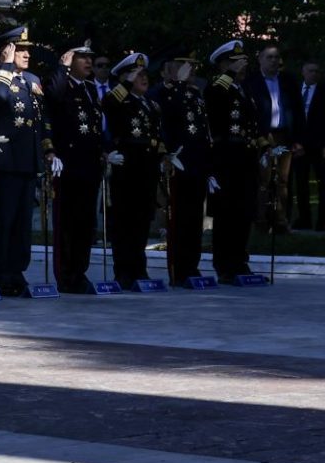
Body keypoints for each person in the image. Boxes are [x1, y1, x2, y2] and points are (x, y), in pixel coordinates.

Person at [0, 25, 51, 298]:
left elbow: (41, 118)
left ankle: (18, 270)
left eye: (27, 50)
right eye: (20, 50)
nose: (27, 55)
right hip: (6, 160)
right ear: (6, 51)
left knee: (22, 222)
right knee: (5, 219)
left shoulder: (31, 79)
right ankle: (1, 274)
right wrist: (6, 66)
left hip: (28, 160)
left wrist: (48, 149)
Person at [45, 40, 106, 293]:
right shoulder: (61, 83)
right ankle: (66, 275)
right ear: (70, 60)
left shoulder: (90, 88)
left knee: (85, 223)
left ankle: (80, 272)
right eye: (82, 57)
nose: (89, 62)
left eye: (90, 57)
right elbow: (52, 99)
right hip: (68, 164)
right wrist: (62, 68)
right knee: (67, 223)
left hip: (89, 163)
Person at [101, 53, 165, 286]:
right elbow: (108, 103)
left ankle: (139, 269)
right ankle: (124, 271)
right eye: (137, 75)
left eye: (144, 74)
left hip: (147, 169)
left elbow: (157, 135)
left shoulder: (151, 104)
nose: (143, 78)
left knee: (142, 221)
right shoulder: (120, 101)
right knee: (124, 221)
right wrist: (126, 84)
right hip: (127, 167)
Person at [204, 40, 265, 282]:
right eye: (235, 62)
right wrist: (229, 74)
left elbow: (252, 122)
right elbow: (214, 100)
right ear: (223, 65)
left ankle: (240, 261)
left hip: (246, 159)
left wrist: (264, 144)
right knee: (226, 214)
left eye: (242, 62)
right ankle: (225, 266)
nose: (242, 67)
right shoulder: (217, 88)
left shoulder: (243, 90)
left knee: (244, 212)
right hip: (226, 160)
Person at [156, 51, 214, 284]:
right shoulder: (164, 92)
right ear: (171, 69)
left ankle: (192, 265)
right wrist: (179, 84)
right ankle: (179, 269)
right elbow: (169, 116)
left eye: (192, 66)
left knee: (194, 218)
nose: (191, 70)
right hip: (179, 164)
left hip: (198, 162)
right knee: (180, 218)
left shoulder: (196, 92)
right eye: (184, 65)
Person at [244, 42, 303, 240]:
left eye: (276, 57)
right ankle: (260, 221)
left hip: (284, 135)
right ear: (260, 59)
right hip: (262, 137)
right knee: (263, 180)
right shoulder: (251, 82)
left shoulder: (288, 81)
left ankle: (280, 221)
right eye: (269, 57)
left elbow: (298, 110)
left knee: (282, 180)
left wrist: (298, 139)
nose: (273, 61)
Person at [292, 59, 325, 230]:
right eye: (310, 70)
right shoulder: (295, 92)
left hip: (320, 145)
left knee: (323, 183)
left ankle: (322, 220)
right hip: (300, 145)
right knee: (301, 184)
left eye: (317, 71)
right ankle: (304, 219)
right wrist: (295, 142)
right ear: (303, 72)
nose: (314, 74)